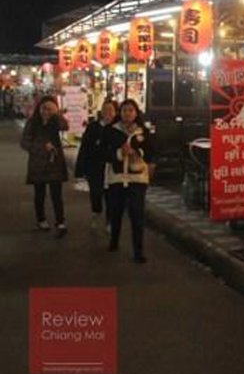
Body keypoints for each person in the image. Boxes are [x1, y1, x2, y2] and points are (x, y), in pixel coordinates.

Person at [104, 99, 154, 264]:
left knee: (137, 214)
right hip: (117, 178)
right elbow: (105, 153)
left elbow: (151, 151)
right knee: (116, 212)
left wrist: (136, 152)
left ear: (136, 113)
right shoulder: (111, 131)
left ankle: (138, 251)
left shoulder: (143, 131)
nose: (127, 113)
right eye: (124, 110)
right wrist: (119, 153)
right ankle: (114, 241)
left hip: (137, 178)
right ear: (120, 112)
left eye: (131, 110)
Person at [20, 95, 70, 235]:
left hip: (55, 163)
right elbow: (24, 142)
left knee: (56, 194)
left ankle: (60, 222)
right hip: (38, 163)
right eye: (44, 108)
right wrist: (42, 146)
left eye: (50, 109)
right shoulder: (33, 122)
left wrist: (57, 114)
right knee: (39, 193)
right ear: (39, 108)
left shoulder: (56, 121)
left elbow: (65, 126)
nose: (46, 111)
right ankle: (41, 219)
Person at [75, 100, 118, 230]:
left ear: (115, 112)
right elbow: (84, 148)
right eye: (105, 110)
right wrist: (80, 169)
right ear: (101, 111)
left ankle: (110, 221)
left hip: (112, 168)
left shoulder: (118, 127)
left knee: (111, 195)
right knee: (95, 193)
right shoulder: (93, 127)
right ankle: (96, 212)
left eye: (111, 110)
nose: (108, 113)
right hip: (94, 167)